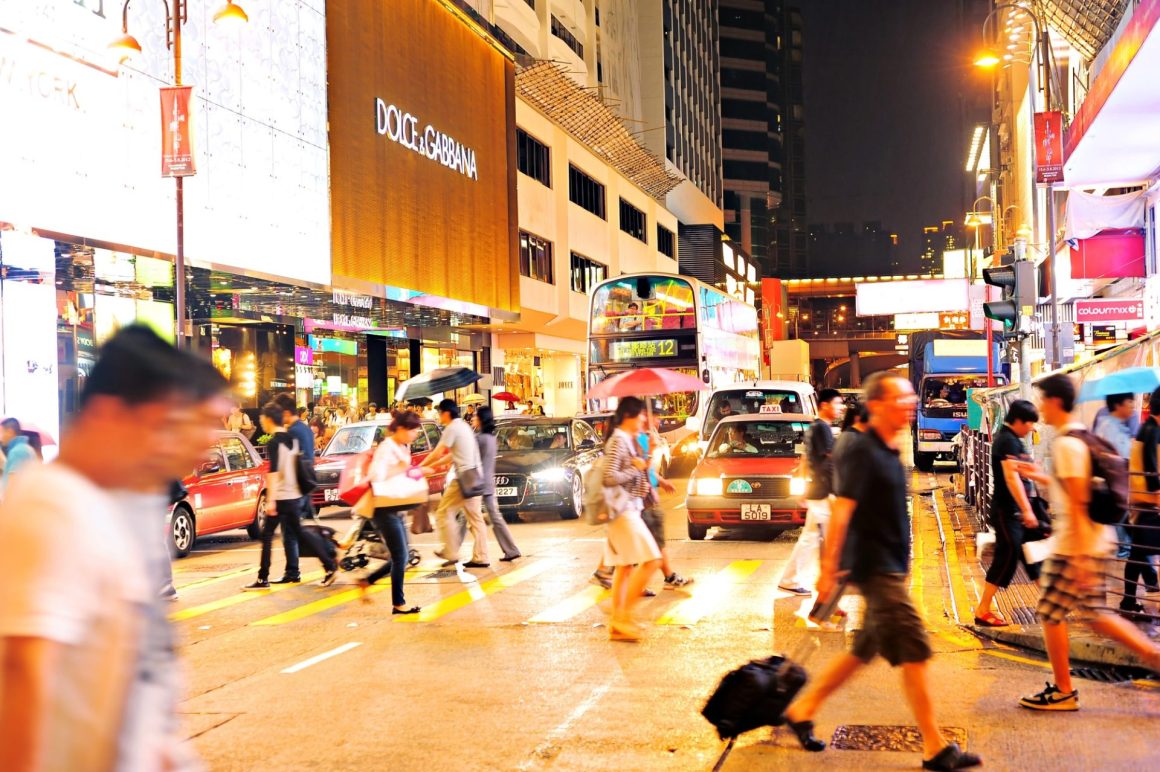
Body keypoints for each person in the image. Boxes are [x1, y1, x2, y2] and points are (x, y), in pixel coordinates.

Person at [0, 324, 229, 770]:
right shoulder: (53, 507)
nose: (187, 454)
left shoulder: (108, 505)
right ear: (109, 415)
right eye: (168, 428)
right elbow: (23, 678)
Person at [783, 373, 982, 771]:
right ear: (876, 405)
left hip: (889, 565)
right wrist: (829, 568)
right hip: (876, 569)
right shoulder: (858, 448)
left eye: (910, 398)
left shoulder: (888, 445)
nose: (909, 404)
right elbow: (842, 510)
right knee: (914, 650)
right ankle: (934, 746)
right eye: (900, 398)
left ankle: (802, 709)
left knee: (862, 651)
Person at [1013, 374, 1160, 710]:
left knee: (1051, 613)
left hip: (1076, 545)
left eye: (1041, 400)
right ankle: (1152, 656)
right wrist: (1041, 476)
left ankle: (1064, 691)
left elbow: (1078, 500)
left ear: (1053, 401)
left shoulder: (1066, 443)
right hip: (1090, 541)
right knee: (1094, 616)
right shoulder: (1078, 436)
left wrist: (1078, 559)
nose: (1039, 408)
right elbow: (1075, 487)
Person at [243, 403, 338, 590]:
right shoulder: (292, 438)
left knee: (268, 535)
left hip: (282, 496)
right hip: (294, 494)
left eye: (262, 419)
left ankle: (263, 578)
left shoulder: (274, 442)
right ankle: (329, 564)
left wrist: (270, 500)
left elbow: (274, 471)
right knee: (299, 532)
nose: (261, 423)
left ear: (269, 420)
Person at [973, 399, 1042, 627]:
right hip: (1007, 511)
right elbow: (1012, 478)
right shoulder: (1007, 442)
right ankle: (983, 609)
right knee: (1007, 557)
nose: (1032, 428)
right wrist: (1025, 510)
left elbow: (1027, 471)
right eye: (1030, 423)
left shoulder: (1015, 441)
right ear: (1020, 421)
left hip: (1019, 512)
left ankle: (1049, 603)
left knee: (1034, 556)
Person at [601, 397, 662, 642]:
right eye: (640, 416)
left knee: (625, 568)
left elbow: (639, 470)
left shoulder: (629, 439)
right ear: (628, 416)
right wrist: (636, 469)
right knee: (652, 561)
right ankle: (621, 617)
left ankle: (618, 624)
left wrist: (650, 455)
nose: (643, 420)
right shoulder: (618, 440)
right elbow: (609, 477)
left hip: (630, 508)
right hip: (622, 510)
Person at [354, 410, 424, 614]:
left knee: (401, 556)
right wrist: (402, 469)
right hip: (383, 508)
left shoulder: (402, 446)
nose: (415, 434)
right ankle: (398, 603)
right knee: (401, 555)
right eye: (413, 430)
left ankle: (367, 581)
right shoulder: (387, 448)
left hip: (396, 505)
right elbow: (377, 476)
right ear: (401, 429)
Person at [779, 388, 845, 596]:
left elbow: (807, 459)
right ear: (825, 405)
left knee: (814, 538)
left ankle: (794, 579)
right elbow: (828, 460)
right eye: (837, 403)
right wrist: (836, 490)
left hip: (819, 491)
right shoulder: (821, 429)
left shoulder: (816, 428)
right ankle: (806, 582)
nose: (841, 408)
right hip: (823, 492)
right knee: (815, 539)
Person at [419, 399, 491, 569]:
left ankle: (450, 551)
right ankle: (482, 556)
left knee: (444, 512)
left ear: (445, 413)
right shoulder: (464, 426)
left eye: (439, 413)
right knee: (475, 518)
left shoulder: (452, 428)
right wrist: (431, 465)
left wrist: (420, 466)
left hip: (463, 478)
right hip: (475, 475)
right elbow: (451, 455)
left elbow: (438, 452)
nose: (438, 417)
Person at [638, 412, 692, 590]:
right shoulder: (638, 439)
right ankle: (631, 586)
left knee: (651, 545)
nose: (659, 421)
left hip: (647, 499)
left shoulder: (645, 437)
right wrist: (650, 449)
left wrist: (662, 482)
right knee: (651, 547)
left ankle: (667, 576)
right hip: (643, 502)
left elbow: (648, 471)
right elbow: (639, 470)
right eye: (655, 416)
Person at [469, 407, 521, 562]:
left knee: (467, 517)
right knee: (494, 517)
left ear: (481, 419)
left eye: (475, 416)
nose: (472, 418)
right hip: (488, 483)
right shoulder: (491, 438)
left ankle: (454, 551)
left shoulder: (479, 438)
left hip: (478, 483)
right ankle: (511, 549)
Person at [1125, 385, 1160, 614]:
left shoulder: (1147, 428)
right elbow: (1152, 468)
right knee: (1137, 554)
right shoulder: (1152, 430)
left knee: (1137, 554)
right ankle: (1127, 601)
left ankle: (1127, 602)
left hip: (1143, 503)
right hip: (1149, 502)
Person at [1, 417, 39, 494]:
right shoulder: (26, 449)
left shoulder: (17, 452)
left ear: (10, 432)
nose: (0, 438)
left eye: (1, 433)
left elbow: (12, 486)